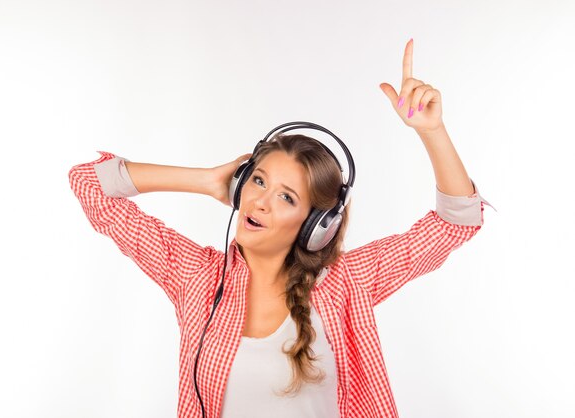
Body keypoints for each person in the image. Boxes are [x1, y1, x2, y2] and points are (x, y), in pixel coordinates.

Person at [68, 39, 495, 418]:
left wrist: (432, 131)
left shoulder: (348, 282)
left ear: (317, 226)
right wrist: (208, 180)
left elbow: (453, 224)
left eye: (287, 197)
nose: (260, 201)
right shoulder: (195, 276)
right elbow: (90, 182)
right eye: (257, 181)